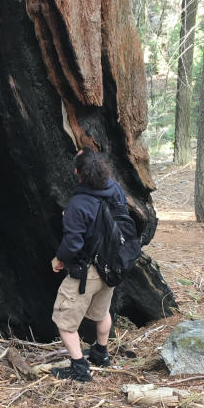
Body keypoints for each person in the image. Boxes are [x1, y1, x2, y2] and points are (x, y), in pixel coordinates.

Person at [51, 150, 127, 381]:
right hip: (112, 266)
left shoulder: (78, 203)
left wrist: (59, 259)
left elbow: (72, 244)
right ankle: (101, 354)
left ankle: (79, 368)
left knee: (64, 322)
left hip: (86, 273)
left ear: (77, 173)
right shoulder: (115, 190)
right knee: (102, 312)